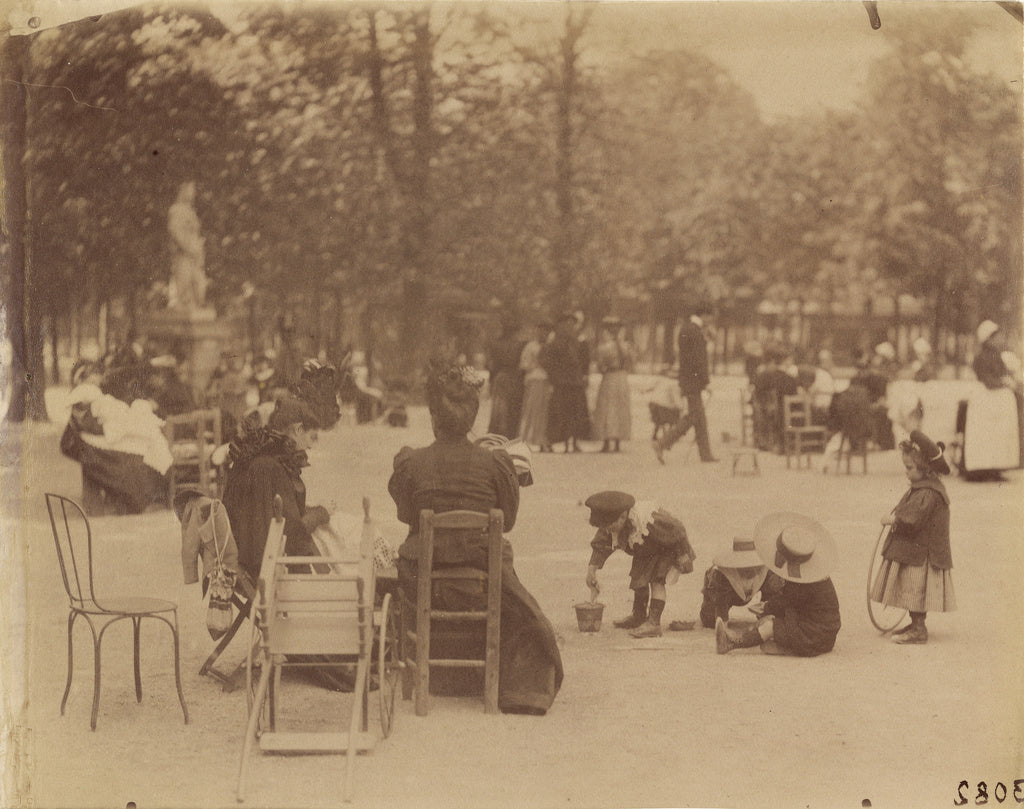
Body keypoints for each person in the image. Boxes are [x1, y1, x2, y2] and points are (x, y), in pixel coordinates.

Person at [388, 358, 563, 714]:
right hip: (482, 580)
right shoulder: (495, 463)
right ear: (473, 418)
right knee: (519, 596)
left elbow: (405, 514)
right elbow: (507, 521)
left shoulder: (413, 462)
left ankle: (427, 668)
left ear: (434, 416)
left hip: (426, 581)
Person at [220, 395, 329, 583]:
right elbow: (294, 532)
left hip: (237, 560)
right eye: (311, 436)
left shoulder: (254, 455)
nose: (311, 445)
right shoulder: (272, 467)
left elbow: (277, 513)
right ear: (298, 430)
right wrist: (322, 513)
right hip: (262, 569)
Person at [869, 430, 955, 644]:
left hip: (922, 553)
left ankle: (918, 629)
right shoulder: (923, 488)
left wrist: (894, 520)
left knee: (914, 587)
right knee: (912, 588)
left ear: (925, 469)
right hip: (918, 549)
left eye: (909, 468)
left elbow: (913, 518)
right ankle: (916, 623)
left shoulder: (928, 493)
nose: (906, 472)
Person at [716, 512, 841, 656]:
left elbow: (786, 601)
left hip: (813, 635)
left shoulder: (802, 584)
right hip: (824, 634)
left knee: (769, 625)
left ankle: (733, 643)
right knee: (776, 623)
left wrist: (767, 608)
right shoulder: (814, 575)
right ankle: (786, 646)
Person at [583, 490, 697, 638]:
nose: (608, 531)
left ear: (623, 516)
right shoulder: (610, 524)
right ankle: (639, 616)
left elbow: (678, 530)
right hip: (644, 550)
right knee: (639, 579)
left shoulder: (648, 520)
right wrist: (592, 570)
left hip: (666, 547)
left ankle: (654, 623)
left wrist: (683, 558)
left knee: (657, 581)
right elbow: (601, 545)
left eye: (610, 527)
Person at [653, 304, 717, 463]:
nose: (711, 320)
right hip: (693, 382)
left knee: (700, 418)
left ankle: (706, 454)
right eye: (710, 317)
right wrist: (705, 382)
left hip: (687, 380)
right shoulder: (695, 331)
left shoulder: (686, 329)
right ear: (704, 315)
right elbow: (698, 360)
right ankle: (662, 443)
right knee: (693, 417)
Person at [698, 537, 784, 629]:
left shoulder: (765, 570)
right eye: (745, 565)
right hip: (721, 594)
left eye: (754, 565)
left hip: (748, 591)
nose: (751, 571)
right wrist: (723, 627)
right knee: (710, 620)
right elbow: (720, 604)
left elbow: (772, 594)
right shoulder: (722, 574)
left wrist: (767, 613)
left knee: (771, 618)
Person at [539, 313, 590, 453]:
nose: (570, 326)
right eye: (567, 323)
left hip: (576, 383)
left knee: (576, 413)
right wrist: (554, 375)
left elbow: (585, 361)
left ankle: (574, 442)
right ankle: (566, 442)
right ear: (560, 326)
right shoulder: (555, 343)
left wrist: (585, 376)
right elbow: (545, 360)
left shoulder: (578, 342)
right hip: (562, 383)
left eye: (572, 324)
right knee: (563, 413)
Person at [591, 317, 634, 453]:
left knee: (619, 407)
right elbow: (600, 363)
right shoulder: (604, 345)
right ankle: (605, 441)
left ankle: (617, 441)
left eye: (616, 327)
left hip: (620, 376)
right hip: (609, 376)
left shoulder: (625, 345)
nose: (614, 330)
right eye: (611, 328)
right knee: (606, 408)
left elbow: (631, 361)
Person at [166, 181, 208, 311]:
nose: (192, 194)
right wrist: (188, 247)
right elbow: (174, 231)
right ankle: (184, 304)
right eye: (190, 190)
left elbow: (195, 232)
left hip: (195, 254)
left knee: (199, 283)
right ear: (183, 191)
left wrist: (198, 248)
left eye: (193, 190)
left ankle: (196, 304)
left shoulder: (191, 211)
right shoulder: (176, 210)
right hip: (184, 253)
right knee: (184, 281)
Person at [486, 312, 526, 439]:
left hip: (501, 378)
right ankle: (511, 436)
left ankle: (499, 436)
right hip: (515, 379)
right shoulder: (521, 344)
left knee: (501, 410)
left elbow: (491, 366)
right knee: (512, 409)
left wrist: (492, 381)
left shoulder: (495, 344)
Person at [518, 320, 553, 452]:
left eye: (546, 331)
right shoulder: (530, 346)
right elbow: (524, 364)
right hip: (534, 379)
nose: (543, 334)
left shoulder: (550, 346)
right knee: (532, 409)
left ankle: (542, 440)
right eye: (541, 331)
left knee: (544, 411)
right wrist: (536, 366)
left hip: (547, 380)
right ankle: (525, 440)